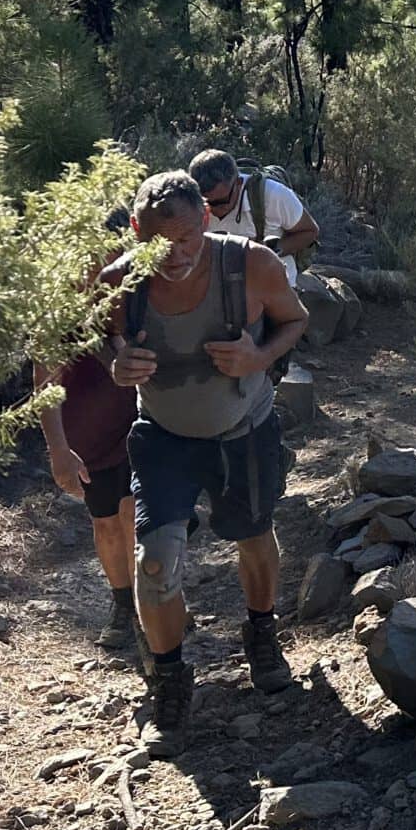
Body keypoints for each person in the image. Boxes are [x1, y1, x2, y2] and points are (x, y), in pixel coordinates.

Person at [106, 169, 312, 729]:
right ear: (133, 230)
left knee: (253, 536)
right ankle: (169, 680)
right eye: (157, 243)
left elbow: (295, 320)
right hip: (164, 440)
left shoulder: (252, 266)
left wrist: (258, 357)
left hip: (243, 432)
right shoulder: (120, 283)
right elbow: (109, 339)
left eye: (186, 239)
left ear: (205, 219)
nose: (173, 256)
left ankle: (261, 631)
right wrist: (119, 363)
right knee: (155, 563)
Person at [38, 205, 139, 653]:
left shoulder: (139, 291)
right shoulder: (57, 309)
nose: (105, 268)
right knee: (107, 522)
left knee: (137, 515)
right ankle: (123, 605)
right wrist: (58, 448)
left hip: (141, 424)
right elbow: (45, 383)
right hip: (89, 435)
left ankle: (156, 596)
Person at [189, 146, 320, 286]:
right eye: (205, 202)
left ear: (238, 183)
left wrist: (267, 250)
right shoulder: (187, 201)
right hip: (219, 289)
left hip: (273, 287)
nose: (212, 209)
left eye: (221, 202)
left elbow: (310, 231)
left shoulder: (272, 194)